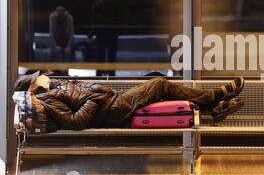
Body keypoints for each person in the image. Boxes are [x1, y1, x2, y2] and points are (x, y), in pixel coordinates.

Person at [13, 72, 245, 133]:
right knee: (159, 85)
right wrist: (94, 99)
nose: (42, 75)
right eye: (37, 77)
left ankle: (211, 109)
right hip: (113, 109)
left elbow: (80, 93)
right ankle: (214, 98)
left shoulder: (54, 86)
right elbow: (75, 121)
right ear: (34, 87)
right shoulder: (48, 99)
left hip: (113, 100)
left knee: (157, 82)